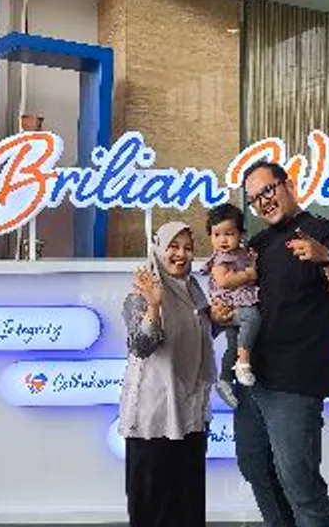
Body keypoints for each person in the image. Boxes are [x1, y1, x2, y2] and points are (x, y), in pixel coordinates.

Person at [234, 160, 329, 527]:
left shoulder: (324, 231)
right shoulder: (257, 245)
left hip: (295, 380)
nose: (263, 201)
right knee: (255, 467)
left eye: (268, 190)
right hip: (252, 377)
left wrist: (327, 260)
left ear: (288, 185)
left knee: (299, 483)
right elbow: (247, 303)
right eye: (254, 198)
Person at [118, 221, 228, 527]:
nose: (181, 254)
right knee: (153, 508)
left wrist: (217, 321)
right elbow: (141, 347)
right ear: (158, 249)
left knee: (187, 505)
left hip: (190, 412)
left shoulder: (193, 290)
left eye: (188, 248)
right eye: (173, 247)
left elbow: (195, 337)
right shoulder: (140, 294)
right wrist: (154, 306)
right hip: (153, 417)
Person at [204, 203, 260, 409]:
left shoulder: (241, 253)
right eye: (217, 235)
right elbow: (224, 281)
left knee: (233, 344)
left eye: (229, 234)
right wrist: (248, 274)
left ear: (241, 234)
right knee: (251, 317)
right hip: (231, 305)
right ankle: (243, 362)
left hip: (237, 302)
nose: (223, 240)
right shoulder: (221, 258)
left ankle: (225, 379)